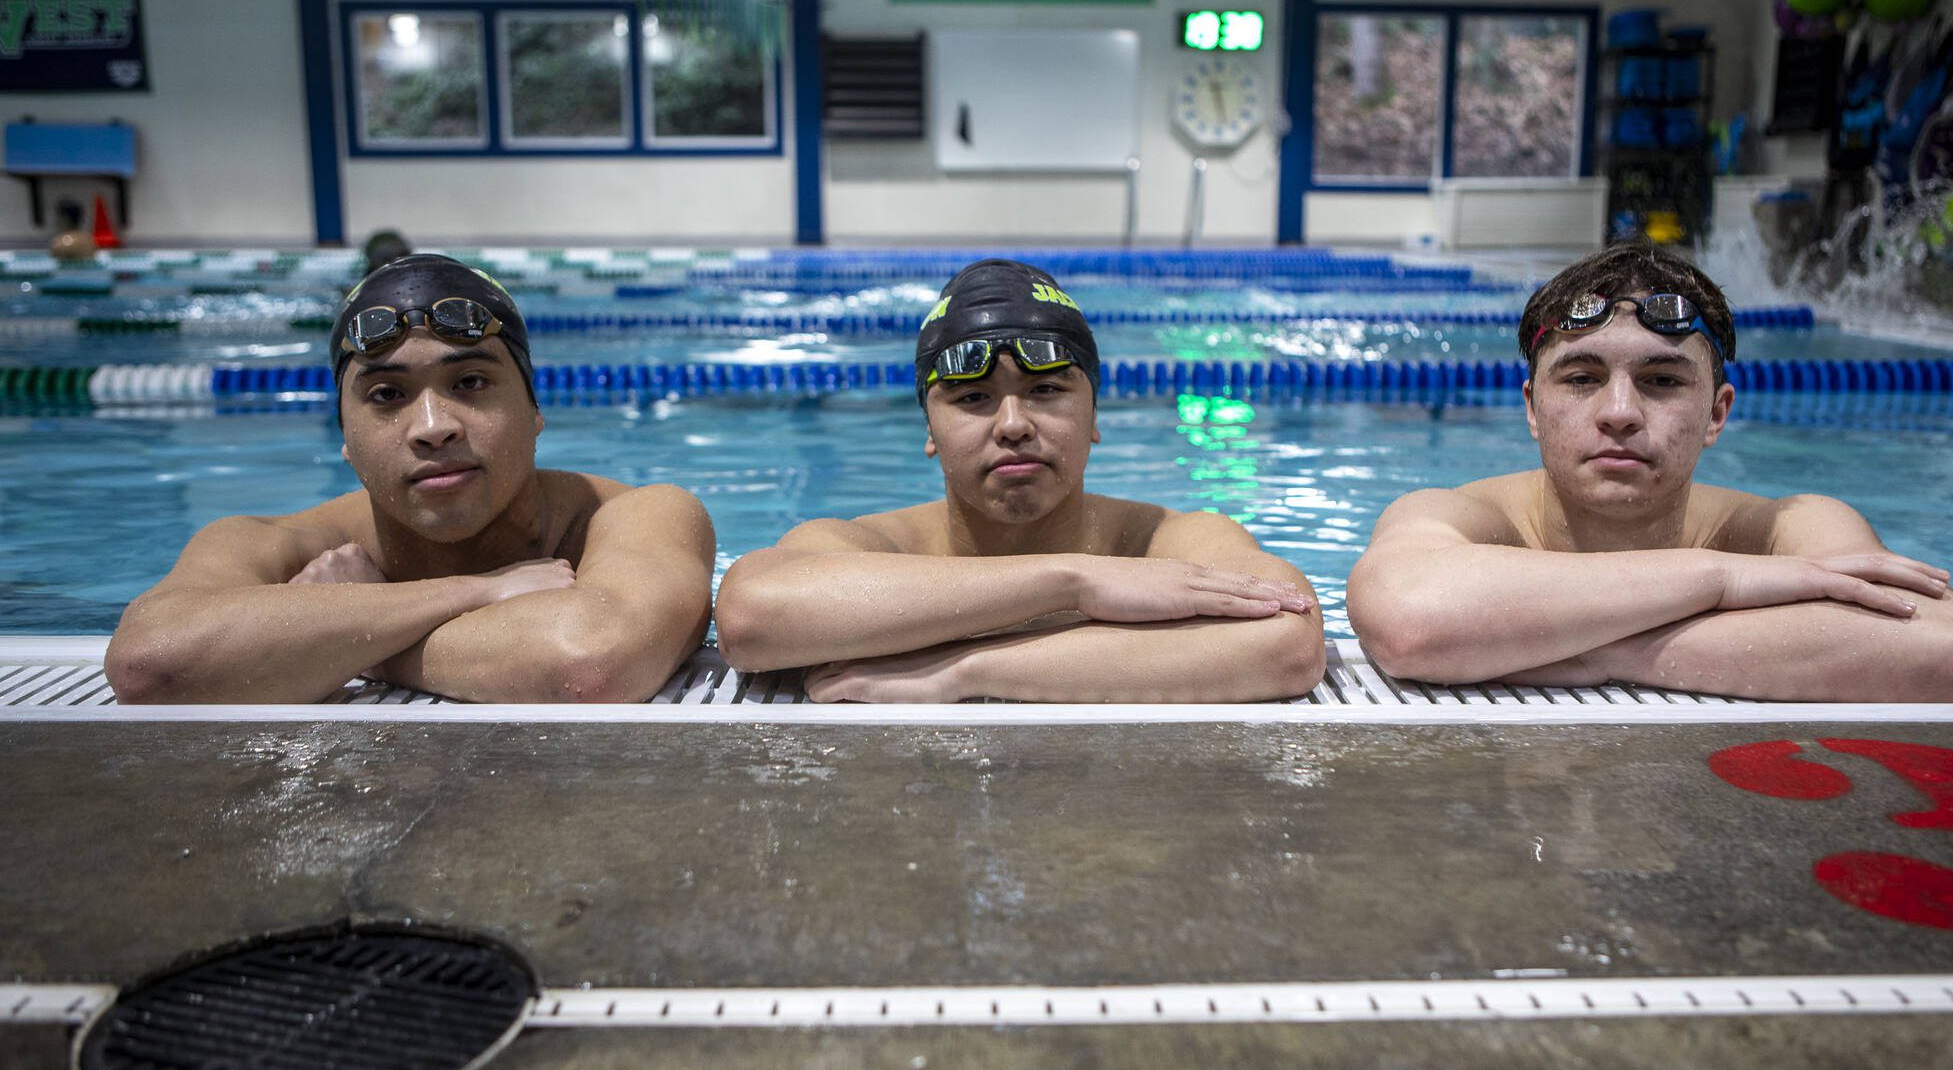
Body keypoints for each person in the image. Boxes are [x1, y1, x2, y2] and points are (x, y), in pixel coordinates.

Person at [1347, 242, 1953, 702]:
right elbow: (1409, 621)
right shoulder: (1455, 514)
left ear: (1716, 412)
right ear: (1532, 408)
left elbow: (1937, 649)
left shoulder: (1791, 525)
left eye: (1660, 380)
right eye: (1581, 378)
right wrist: (1723, 580)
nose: (1619, 413)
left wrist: (1594, 649)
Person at [107, 254, 714, 703]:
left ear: (533, 410)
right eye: (387, 394)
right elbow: (147, 665)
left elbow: (588, 665)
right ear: (343, 436)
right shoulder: (271, 540)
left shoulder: (639, 513)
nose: (432, 427)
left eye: (470, 383)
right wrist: (476, 591)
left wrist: (335, 633)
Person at [714, 258, 1325, 702]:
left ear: (1094, 416)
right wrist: (1073, 580)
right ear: (929, 428)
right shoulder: (876, 546)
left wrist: (966, 669)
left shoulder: (1163, 540)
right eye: (973, 398)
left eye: (1047, 390)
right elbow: (749, 619)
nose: (1013, 424)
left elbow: (1289, 645)